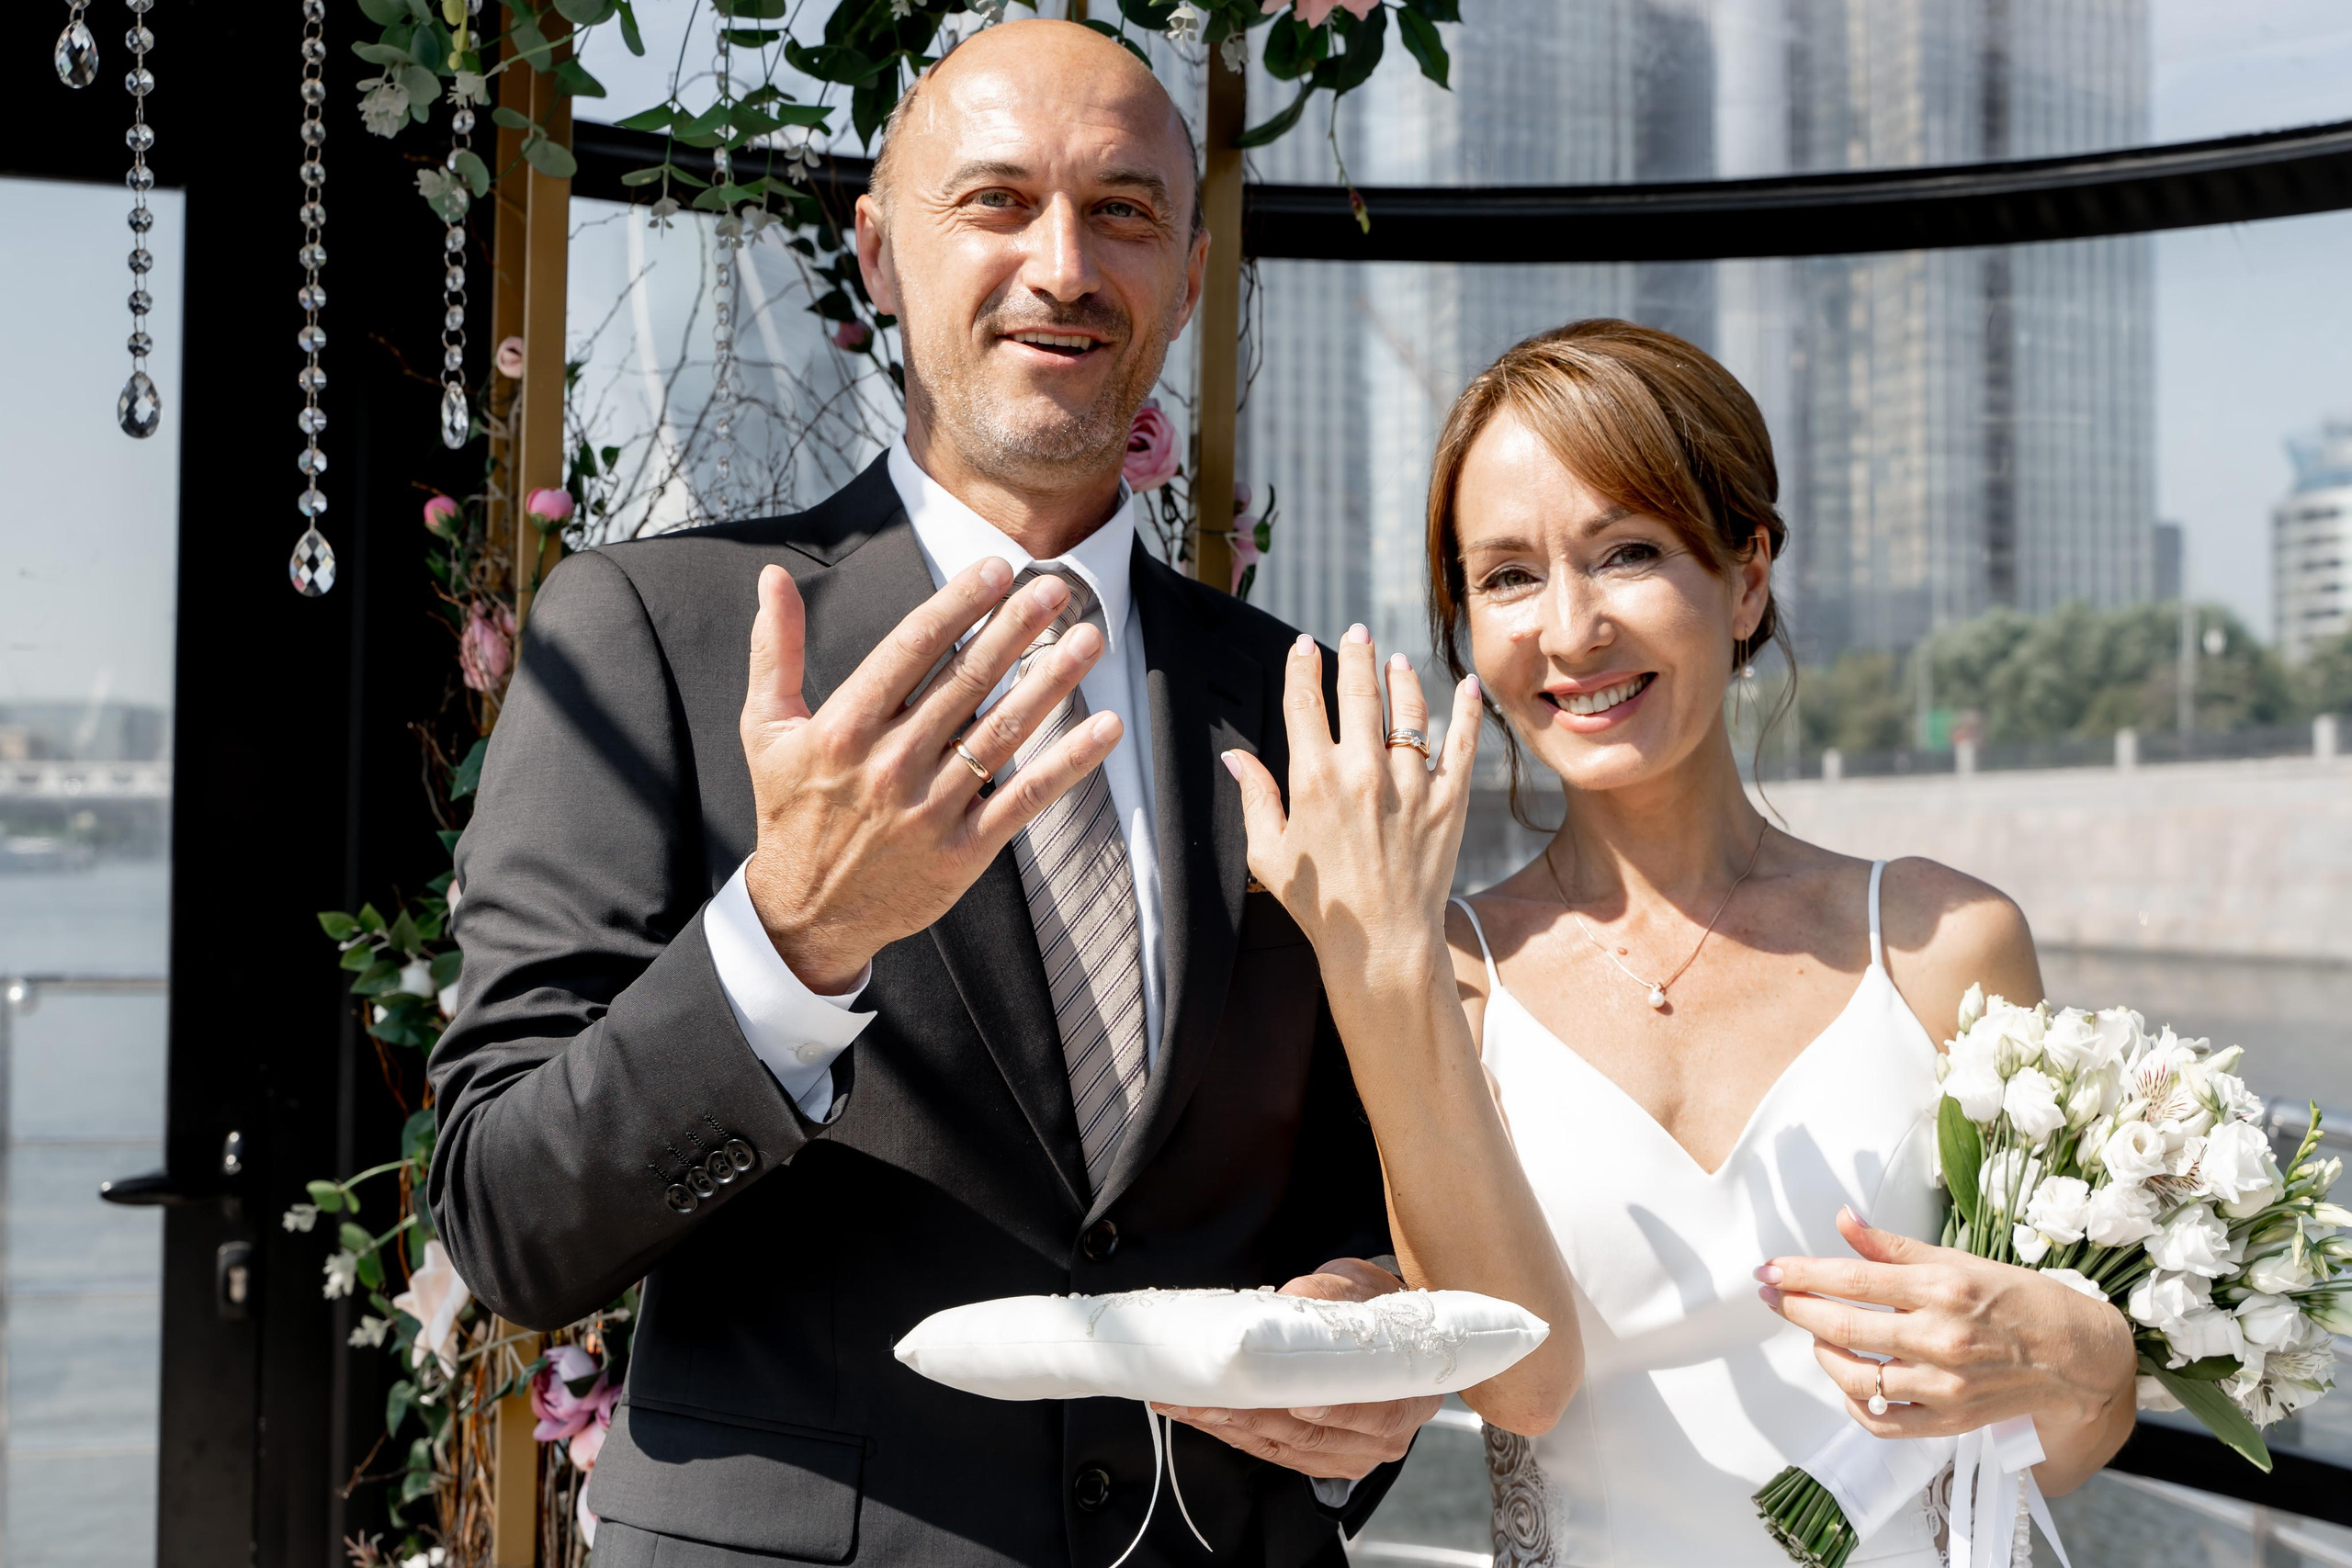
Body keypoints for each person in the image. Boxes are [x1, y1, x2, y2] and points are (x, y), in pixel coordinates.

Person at [429, 21, 1444, 1567]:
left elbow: (1358, 1205)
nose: (1063, 265)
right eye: (995, 202)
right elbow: (509, 1223)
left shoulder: (1291, 694)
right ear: (879, 255)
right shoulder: (657, 635)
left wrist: (1371, 1325)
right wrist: (790, 939)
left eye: (1123, 212)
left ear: (1184, 277)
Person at [1221, 320, 2140, 1564]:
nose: (1571, 628)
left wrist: (2083, 1349)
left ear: (1747, 575)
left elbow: (2062, 1450)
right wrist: (1377, 958)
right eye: (1506, 577)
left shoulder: (1946, 947)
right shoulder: (1445, 975)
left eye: (1628, 552)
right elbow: (1517, 1388)